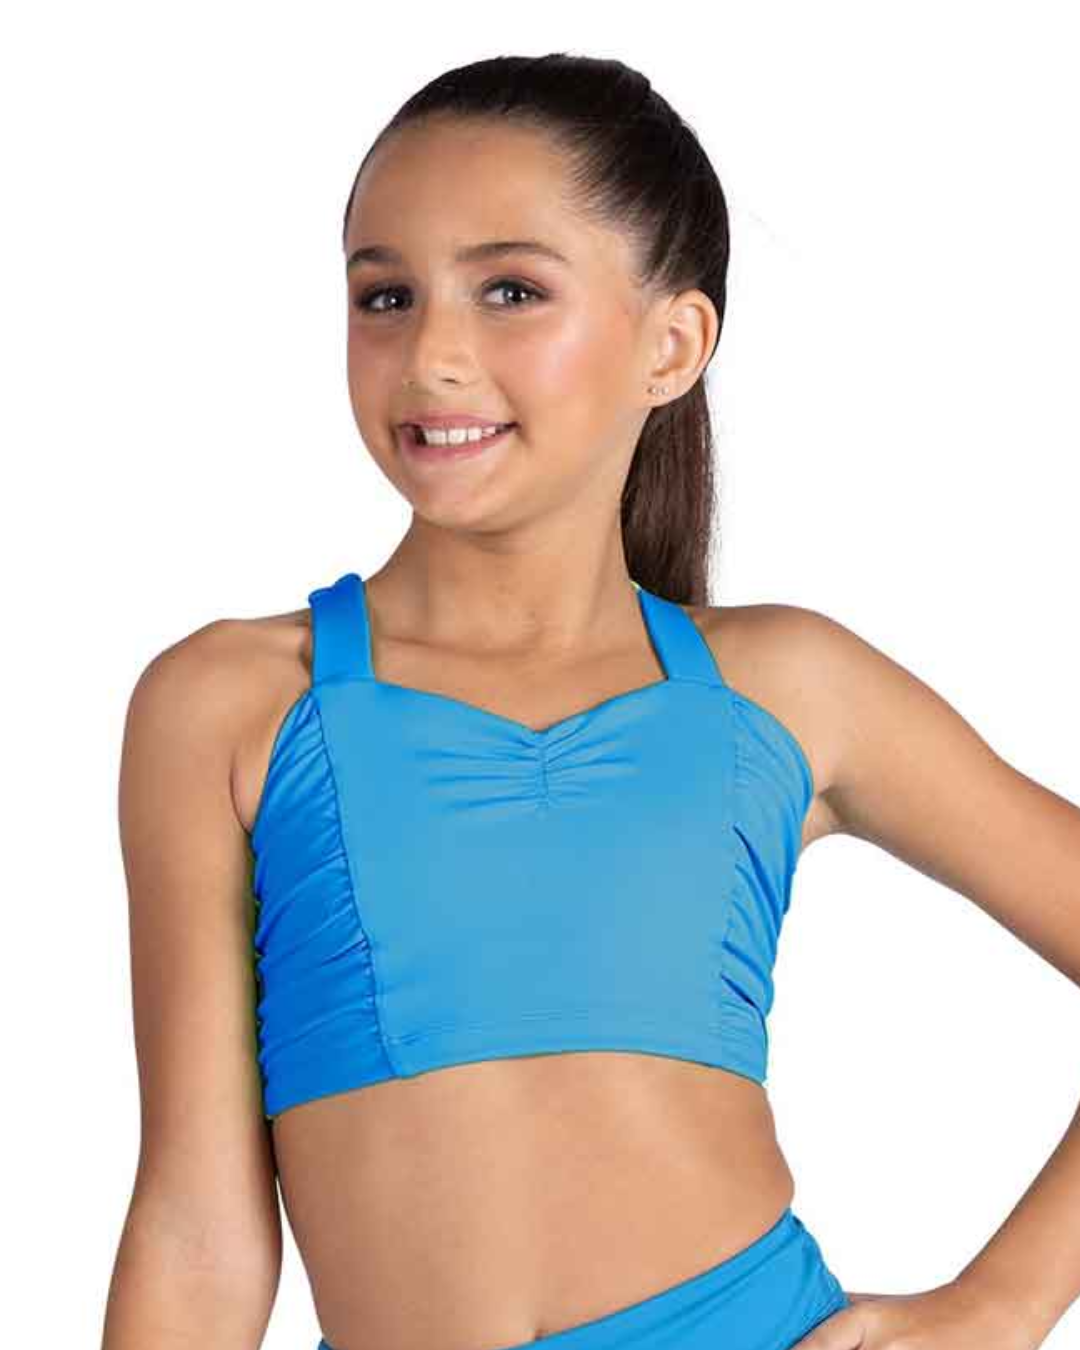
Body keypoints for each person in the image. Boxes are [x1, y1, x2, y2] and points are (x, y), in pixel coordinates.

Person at [101, 53, 1080, 1350]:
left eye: (510, 290)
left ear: (672, 344)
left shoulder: (788, 688)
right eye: (385, 295)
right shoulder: (227, 706)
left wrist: (1003, 1303)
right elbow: (196, 1226)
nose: (431, 353)